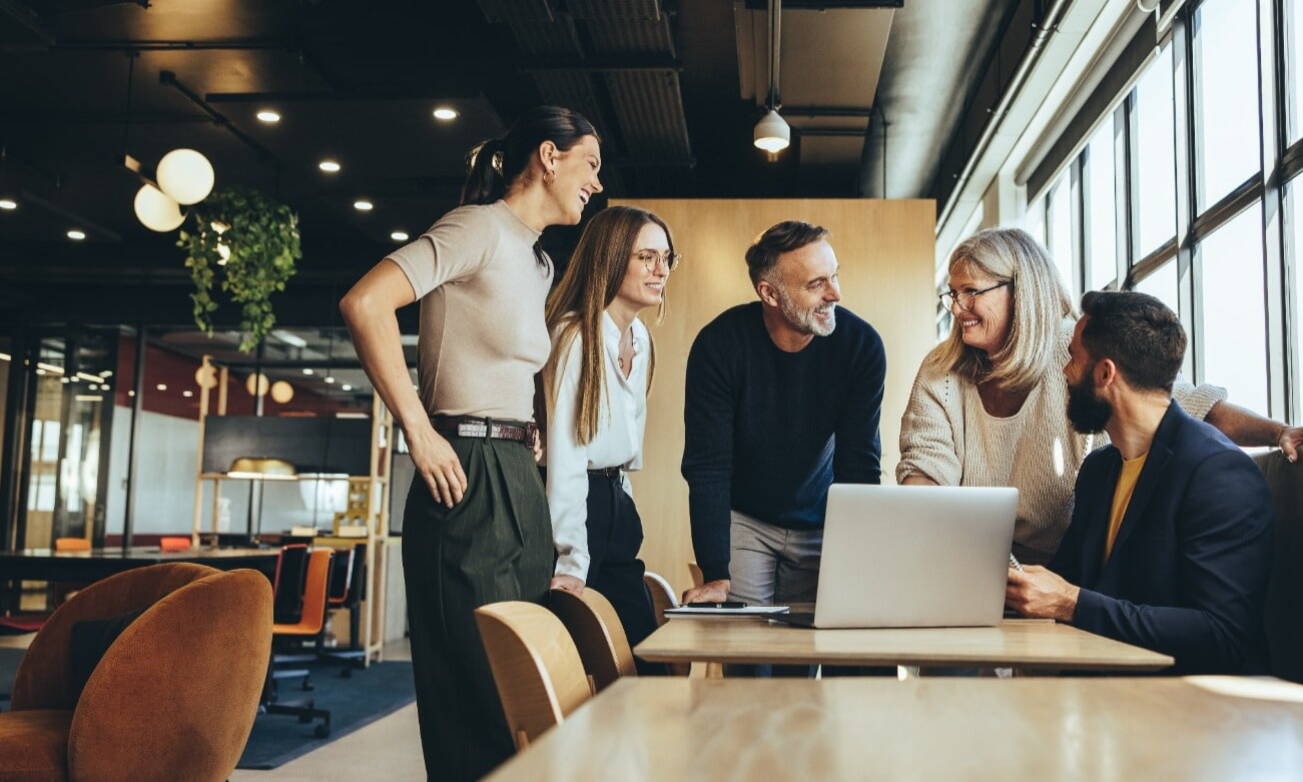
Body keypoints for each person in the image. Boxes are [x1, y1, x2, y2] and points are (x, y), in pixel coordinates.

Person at [339, 106, 603, 781]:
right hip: (465, 472)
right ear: (549, 155)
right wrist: (417, 429)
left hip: (515, 474)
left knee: (524, 685)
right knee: (476, 694)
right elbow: (364, 303)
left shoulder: (538, 262)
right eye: (590, 165)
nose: (596, 184)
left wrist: (527, 430)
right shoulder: (476, 227)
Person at [899, 227, 1300, 564]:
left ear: (1020, 292)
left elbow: (1183, 406)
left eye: (970, 291)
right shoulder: (943, 370)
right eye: (952, 294)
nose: (957, 308)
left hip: (1067, 565)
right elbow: (925, 473)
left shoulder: (1074, 350)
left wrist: (1277, 432)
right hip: (967, 556)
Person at [1006, 291, 1273, 674]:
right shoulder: (1100, 470)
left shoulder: (1220, 474)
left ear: (1105, 374)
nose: (1064, 371)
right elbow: (1067, 581)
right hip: (1109, 694)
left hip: (1200, 710)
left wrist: (1071, 603)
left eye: (1073, 358)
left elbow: (1222, 635)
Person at [680, 220, 887, 621]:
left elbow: (859, 463)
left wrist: (859, 560)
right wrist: (715, 572)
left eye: (835, 276)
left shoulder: (861, 347)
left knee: (805, 653)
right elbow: (708, 467)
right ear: (769, 293)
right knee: (747, 652)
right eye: (816, 284)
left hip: (824, 517)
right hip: (746, 519)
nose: (836, 294)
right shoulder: (719, 346)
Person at [542, 205, 677, 660]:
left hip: (617, 500)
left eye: (666, 258)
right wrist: (572, 559)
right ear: (612, 258)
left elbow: (624, 445)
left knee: (639, 651)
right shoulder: (574, 335)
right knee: (585, 657)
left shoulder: (640, 337)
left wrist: (627, 507)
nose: (661, 270)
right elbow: (566, 455)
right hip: (577, 508)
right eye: (646, 258)